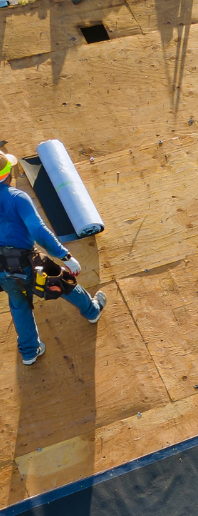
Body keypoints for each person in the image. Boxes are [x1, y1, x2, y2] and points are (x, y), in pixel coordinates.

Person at [0, 150, 106, 365]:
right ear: (8, 174)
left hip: (3, 269)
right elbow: (38, 229)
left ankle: (30, 352)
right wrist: (64, 255)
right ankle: (92, 310)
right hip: (26, 262)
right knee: (63, 282)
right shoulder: (17, 198)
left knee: (19, 304)